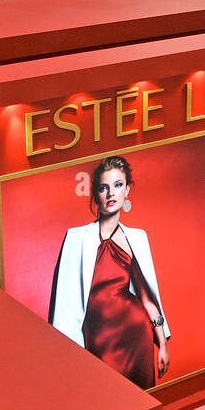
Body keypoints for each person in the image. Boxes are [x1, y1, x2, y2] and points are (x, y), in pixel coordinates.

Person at [50, 155, 171, 388]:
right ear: (96, 194)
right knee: (104, 401)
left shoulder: (137, 237)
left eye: (118, 186)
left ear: (127, 191)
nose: (111, 194)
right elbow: (65, 304)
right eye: (104, 188)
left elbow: (147, 297)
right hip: (98, 340)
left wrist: (163, 345)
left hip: (136, 337)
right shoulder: (76, 238)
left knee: (140, 405)